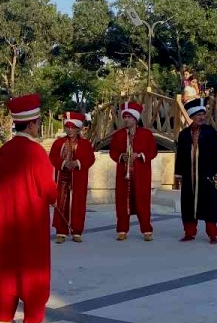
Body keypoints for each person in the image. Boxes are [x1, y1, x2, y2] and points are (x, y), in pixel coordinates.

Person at [0, 93, 60, 323]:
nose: (39, 126)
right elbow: (48, 189)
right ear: (31, 123)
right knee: (34, 272)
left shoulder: (4, 151)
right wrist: (56, 197)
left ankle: (2, 321)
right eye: (38, 122)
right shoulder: (36, 152)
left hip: (8, 222)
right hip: (31, 222)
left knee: (7, 271)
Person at [175, 98, 217, 243]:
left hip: (206, 175)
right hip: (189, 176)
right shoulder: (184, 134)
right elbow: (181, 156)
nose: (202, 117)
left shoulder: (210, 132)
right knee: (188, 204)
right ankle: (189, 232)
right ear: (192, 116)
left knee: (209, 204)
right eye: (198, 115)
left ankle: (212, 234)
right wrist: (179, 174)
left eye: (203, 114)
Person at [108, 102, 158, 241]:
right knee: (122, 202)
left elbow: (153, 151)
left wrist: (140, 155)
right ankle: (122, 230)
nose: (126, 119)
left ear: (136, 119)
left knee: (143, 200)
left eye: (129, 117)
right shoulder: (118, 135)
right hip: (123, 175)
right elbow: (112, 152)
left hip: (141, 174)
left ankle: (147, 230)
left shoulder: (146, 134)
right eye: (125, 117)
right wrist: (120, 156)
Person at [49, 111, 96, 243]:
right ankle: (61, 231)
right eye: (67, 127)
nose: (70, 130)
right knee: (62, 202)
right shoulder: (58, 143)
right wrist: (63, 163)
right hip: (62, 178)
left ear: (78, 128)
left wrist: (78, 163)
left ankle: (77, 230)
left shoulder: (85, 144)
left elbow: (90, 158)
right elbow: (52, 157)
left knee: (78, 203)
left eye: (73, 127)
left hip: (79, 178)